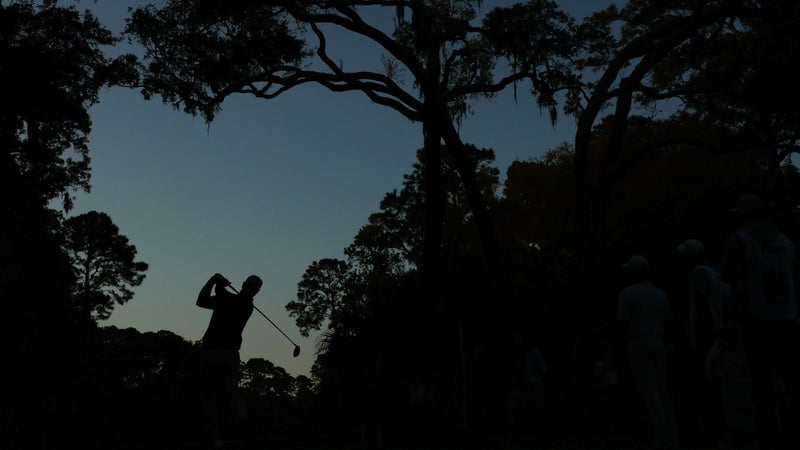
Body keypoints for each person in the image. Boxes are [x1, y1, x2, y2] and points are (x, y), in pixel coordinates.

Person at [720, 193, 799, 450]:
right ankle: (791, 430)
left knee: (760, 381)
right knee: (789, 378)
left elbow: (726, 273)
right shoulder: (785, 242)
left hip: (756, 318)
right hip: (787, 316)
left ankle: (768, 435)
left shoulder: (740, 240)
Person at [617, 255, 679, 450]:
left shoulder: (627, 294)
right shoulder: (659, 294)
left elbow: (622, 323)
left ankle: (661, 436)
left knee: (648, 392)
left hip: (638, 342)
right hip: (658, 342)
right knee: (662, 391)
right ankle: (671, 436)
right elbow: (669, 322)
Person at [196, 273, 263, 449]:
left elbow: (201, 301)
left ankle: (215, 438)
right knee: (233, 394)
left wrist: (213, 280)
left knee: (208, 396)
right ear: (256, 292)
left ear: (243, 284)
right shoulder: (248, 306)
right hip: (231, 354)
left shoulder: (227, 300)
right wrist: (220, 285)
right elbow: (223, 295)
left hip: (211, 351)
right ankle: (243, 422)